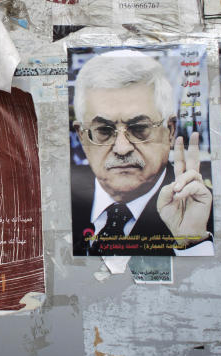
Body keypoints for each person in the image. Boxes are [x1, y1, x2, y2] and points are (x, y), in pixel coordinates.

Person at [70, 50, 213, 256]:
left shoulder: (204, 215)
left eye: (139, 128)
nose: (122, 148)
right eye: (103, 131)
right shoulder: (58, 210)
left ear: (170, 131)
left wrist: (192, 244)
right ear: (82, 137)